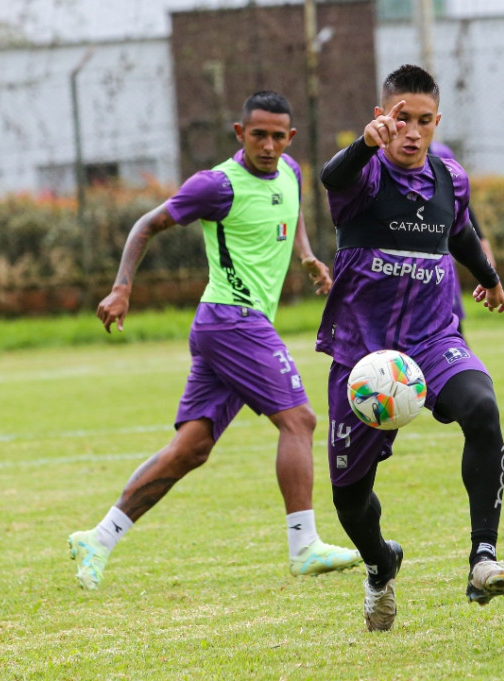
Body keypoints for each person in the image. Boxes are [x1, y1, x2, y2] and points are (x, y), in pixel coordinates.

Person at [67, 91, 361, 590]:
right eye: (257, 135)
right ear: (238, 133)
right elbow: (147, 224)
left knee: (193, 447)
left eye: (277, 136)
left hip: (226, 326)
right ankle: (304, 544)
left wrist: (308, 256)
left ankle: (98, 537)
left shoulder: (290, 170)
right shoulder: (217, 185)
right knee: (301, 420)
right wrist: (122, 287)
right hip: (233, 320)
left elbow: (291, 214)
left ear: (289, 138)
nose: (267, 145)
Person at [317, 64, 504, 632]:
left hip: (433, 340)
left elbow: (458, 230)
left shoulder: (450, 177)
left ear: (436, 122)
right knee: (349, 500)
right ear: (382, 115)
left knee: (482, 408)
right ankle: (381, 564)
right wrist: (362, 144)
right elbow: (333, 178)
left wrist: (488, 275)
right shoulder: (364, 177)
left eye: (423, 121)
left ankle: (482, 558)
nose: (411, 131)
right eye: (399, 118)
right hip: (362, 356)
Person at [429, 140, 496, 338]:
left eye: (424, 119)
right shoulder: (378, 158)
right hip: (398, 266)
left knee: (450, 329)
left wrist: (482, 243)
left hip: (439, 259)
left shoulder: (442, 153)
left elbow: (459, 203)